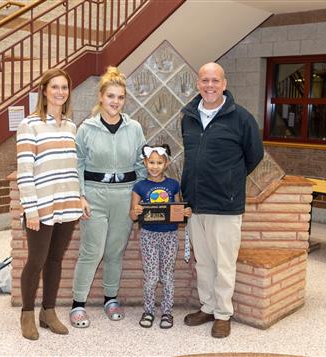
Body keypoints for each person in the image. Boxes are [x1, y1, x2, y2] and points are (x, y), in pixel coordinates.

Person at [180, 62, 264, 338]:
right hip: (195, 204)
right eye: (205, 80)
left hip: (226, 205)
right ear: (198, 84)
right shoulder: (189, 116)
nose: (210, 85)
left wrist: (229, 180)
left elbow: (255, 156)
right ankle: (207, 306)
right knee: (203, 261)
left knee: (224, 263)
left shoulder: (241, 118)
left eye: (215, 80)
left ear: (224, 84)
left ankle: (223, 314)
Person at [70, 66, 146, 328]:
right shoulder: (87, 128)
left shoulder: (134, 128)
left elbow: (141, 163)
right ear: (101, 97)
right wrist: (80, 195)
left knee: (115, 250)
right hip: (94, 195)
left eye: (120, 97)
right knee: (92, 251)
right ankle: (77, 304)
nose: (115, 102)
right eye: (111, 96)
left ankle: (110, 298)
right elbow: (77, 163)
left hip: (124, 196)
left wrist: (139, 197)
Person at [16, 68, 82, 340]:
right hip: (40, 207)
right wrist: (31, 209)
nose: (60, 92)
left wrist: (78, 198)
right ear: (44, 91)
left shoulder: (70, 125)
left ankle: (49, 312)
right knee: (36, 260)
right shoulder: (29, 125)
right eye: (54, 87)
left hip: (66, 205)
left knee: (55, 260)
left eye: (64, 87)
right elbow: (24, 170)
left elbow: (71, 168)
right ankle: (27, 314)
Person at [129, 144, 192, 329]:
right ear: (145, 162)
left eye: (159, 162)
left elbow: (178, 211)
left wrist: (185, 212)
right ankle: (148, 311)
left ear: (166, 163)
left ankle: (167, 312)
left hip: (170, 236)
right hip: (148, 235)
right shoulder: (139, 186)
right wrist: (136, 210)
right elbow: (132, 216)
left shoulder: (173, 185)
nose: (154, 166)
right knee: (150, 276)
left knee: (167, 275)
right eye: (151, 162)